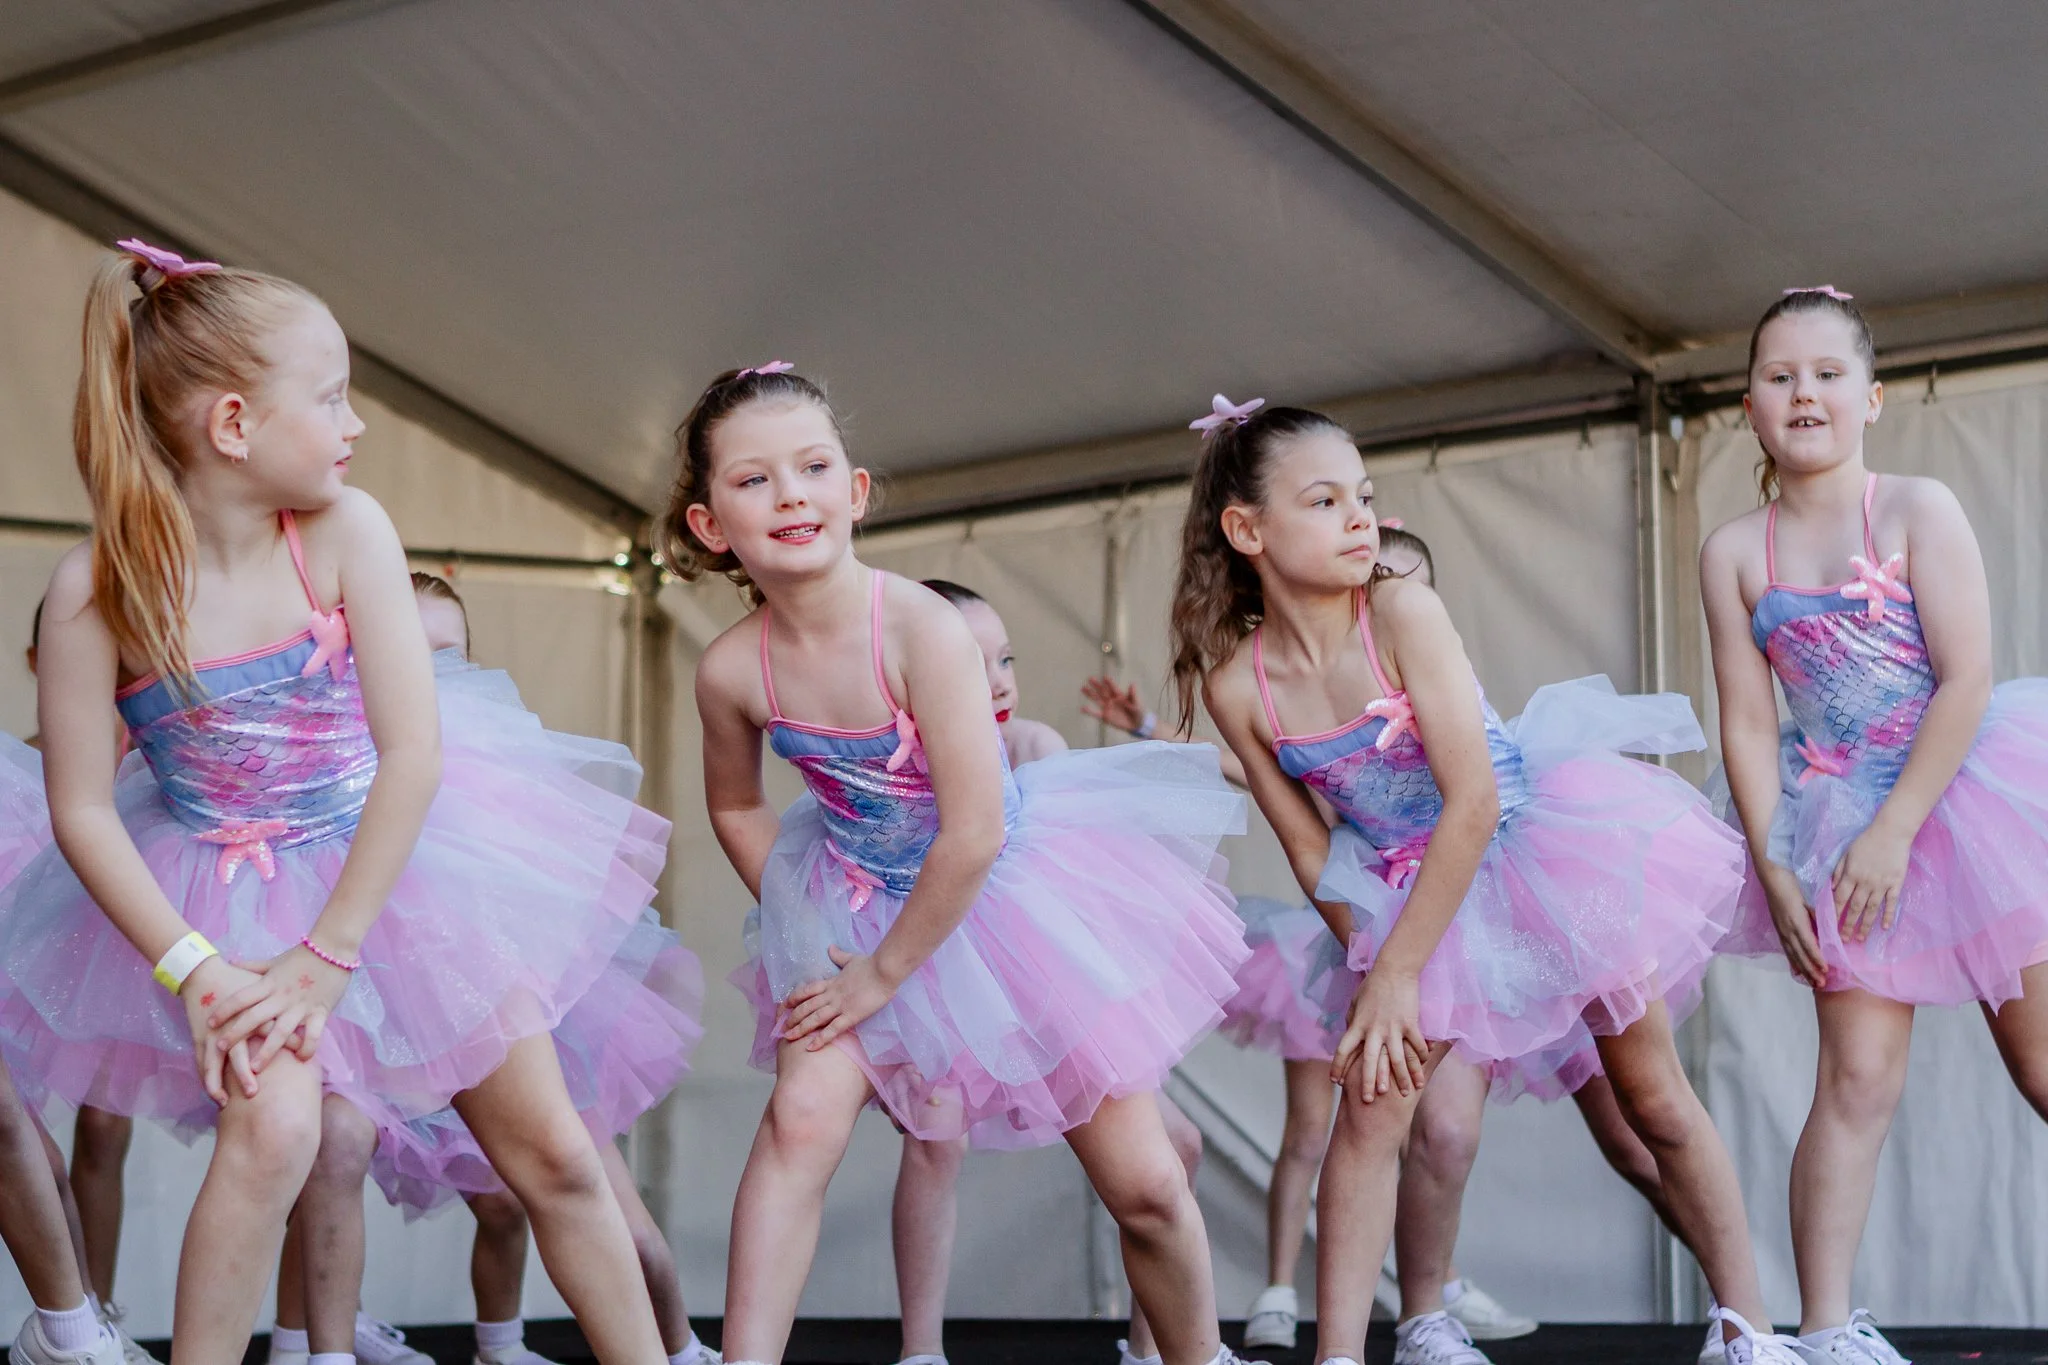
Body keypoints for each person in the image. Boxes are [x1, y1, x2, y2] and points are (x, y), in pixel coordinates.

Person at [0, 239, 669, 1363]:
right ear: (232, 427)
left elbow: (413, 754)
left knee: (553, 1153)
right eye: (331, 397)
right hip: (221, 900)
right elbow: (83, 813)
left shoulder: (347, 534)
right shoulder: (93, 594)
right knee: (274, 1133)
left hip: (399, 870)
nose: (354, 425)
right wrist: (199, 971)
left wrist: (330, 952)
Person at [1177, 395, 1794, 1365]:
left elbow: (1468, 802)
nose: (1358, 520)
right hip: (1400, 889)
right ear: (1246, 529)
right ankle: (1340, 1355)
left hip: (1533, 850)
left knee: (1651, 1098)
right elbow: (1307, 848)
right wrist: (1368, 962)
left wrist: (1393, 975)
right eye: (1325, 500)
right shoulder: (1236, 688)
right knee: (1368, 1113)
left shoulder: (1400, 610)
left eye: (1364, 497)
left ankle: (1748, 1326)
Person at [671, 362, 1255, 1365]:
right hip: (855, 901)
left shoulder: (920, 630)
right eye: (753, 479)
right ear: (710, 524)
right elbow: (734, 803)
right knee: (798, 1125)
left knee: (1147, 1184)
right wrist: (807, 935)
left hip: (1004, 901)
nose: (790, 495)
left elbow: (974, 832)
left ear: (853, 494)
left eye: (812, 467)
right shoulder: (731, 667)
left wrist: (881, 974)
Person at [1701, 286, 2048, 1365]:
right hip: (1829, 815)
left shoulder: (1913, 508)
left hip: (1959, 795)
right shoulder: (1732, 551)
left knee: (2042, 1069)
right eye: (1777, 374)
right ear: (1748, 404)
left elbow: (1965, 678)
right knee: (1852, 1081)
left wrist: (1896, 826)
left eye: (1825, 373)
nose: (1801, 390)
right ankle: (1823, 1330)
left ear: (1871, 397)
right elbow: (1749, 728)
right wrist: (1774, 863)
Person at [269, 572, 714, 1365]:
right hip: (369, 1015)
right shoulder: (329, 782)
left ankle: (676, 1347)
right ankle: (315, 1347)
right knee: (330, 1144)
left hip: (487, 1012)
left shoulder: (498, 787)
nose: (435, 679)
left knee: (581, 1197)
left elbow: (557, 917)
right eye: (409, 655)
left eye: (452, 658)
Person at [887, 579, 1207, 1365]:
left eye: (1005, 658)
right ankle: (920, 1350)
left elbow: (1072, 898)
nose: (997, 680)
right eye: (971, 663)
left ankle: (1152, 1345)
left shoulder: (1033, 746)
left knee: (1180, 1145)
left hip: (1042, 979)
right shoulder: (897, 765)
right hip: (940, 974)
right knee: (935, 1137)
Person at [22, 605, 163, 1365]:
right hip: (25, 968)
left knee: (104, 1130)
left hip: (107, 956)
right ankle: (68, 1314)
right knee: (28, 1146)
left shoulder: (147, 750)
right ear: (35, 658)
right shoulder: (23, 761)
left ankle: (97, 1314)